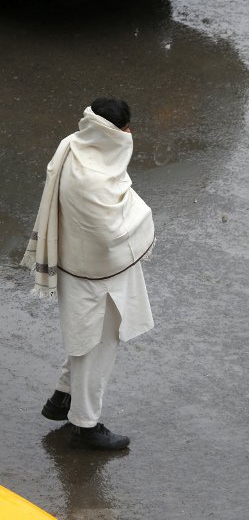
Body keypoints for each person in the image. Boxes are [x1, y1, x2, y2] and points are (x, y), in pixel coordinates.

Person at [22, 98, 155, 450]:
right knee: (95, 347)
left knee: (83, 340)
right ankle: (86, 425)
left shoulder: (73, 146)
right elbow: (113, 230)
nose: (130, 134)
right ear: (112, 131)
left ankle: (62, 398)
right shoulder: (93, 179)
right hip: (98, 275)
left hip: (77, 264)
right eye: (125, 129)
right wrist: (146, 213)